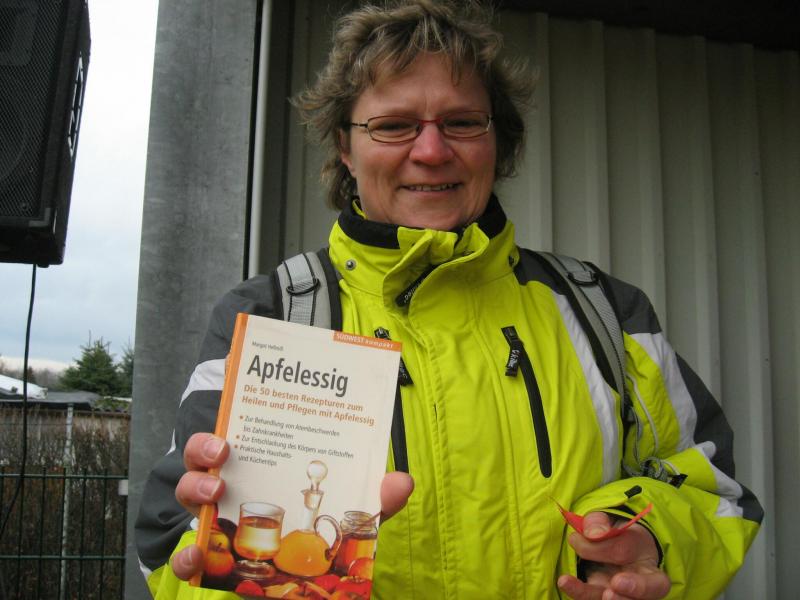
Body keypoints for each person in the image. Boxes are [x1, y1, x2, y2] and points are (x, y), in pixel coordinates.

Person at [135, 1, 763, 599]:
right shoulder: (271, 317)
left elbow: (713, 491)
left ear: (498, 143)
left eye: (462, 122)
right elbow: (169, 546)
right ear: (345, 150)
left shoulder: (605, 311)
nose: (432, 151)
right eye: (393, 126)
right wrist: (225, 577)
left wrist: (647, 540)